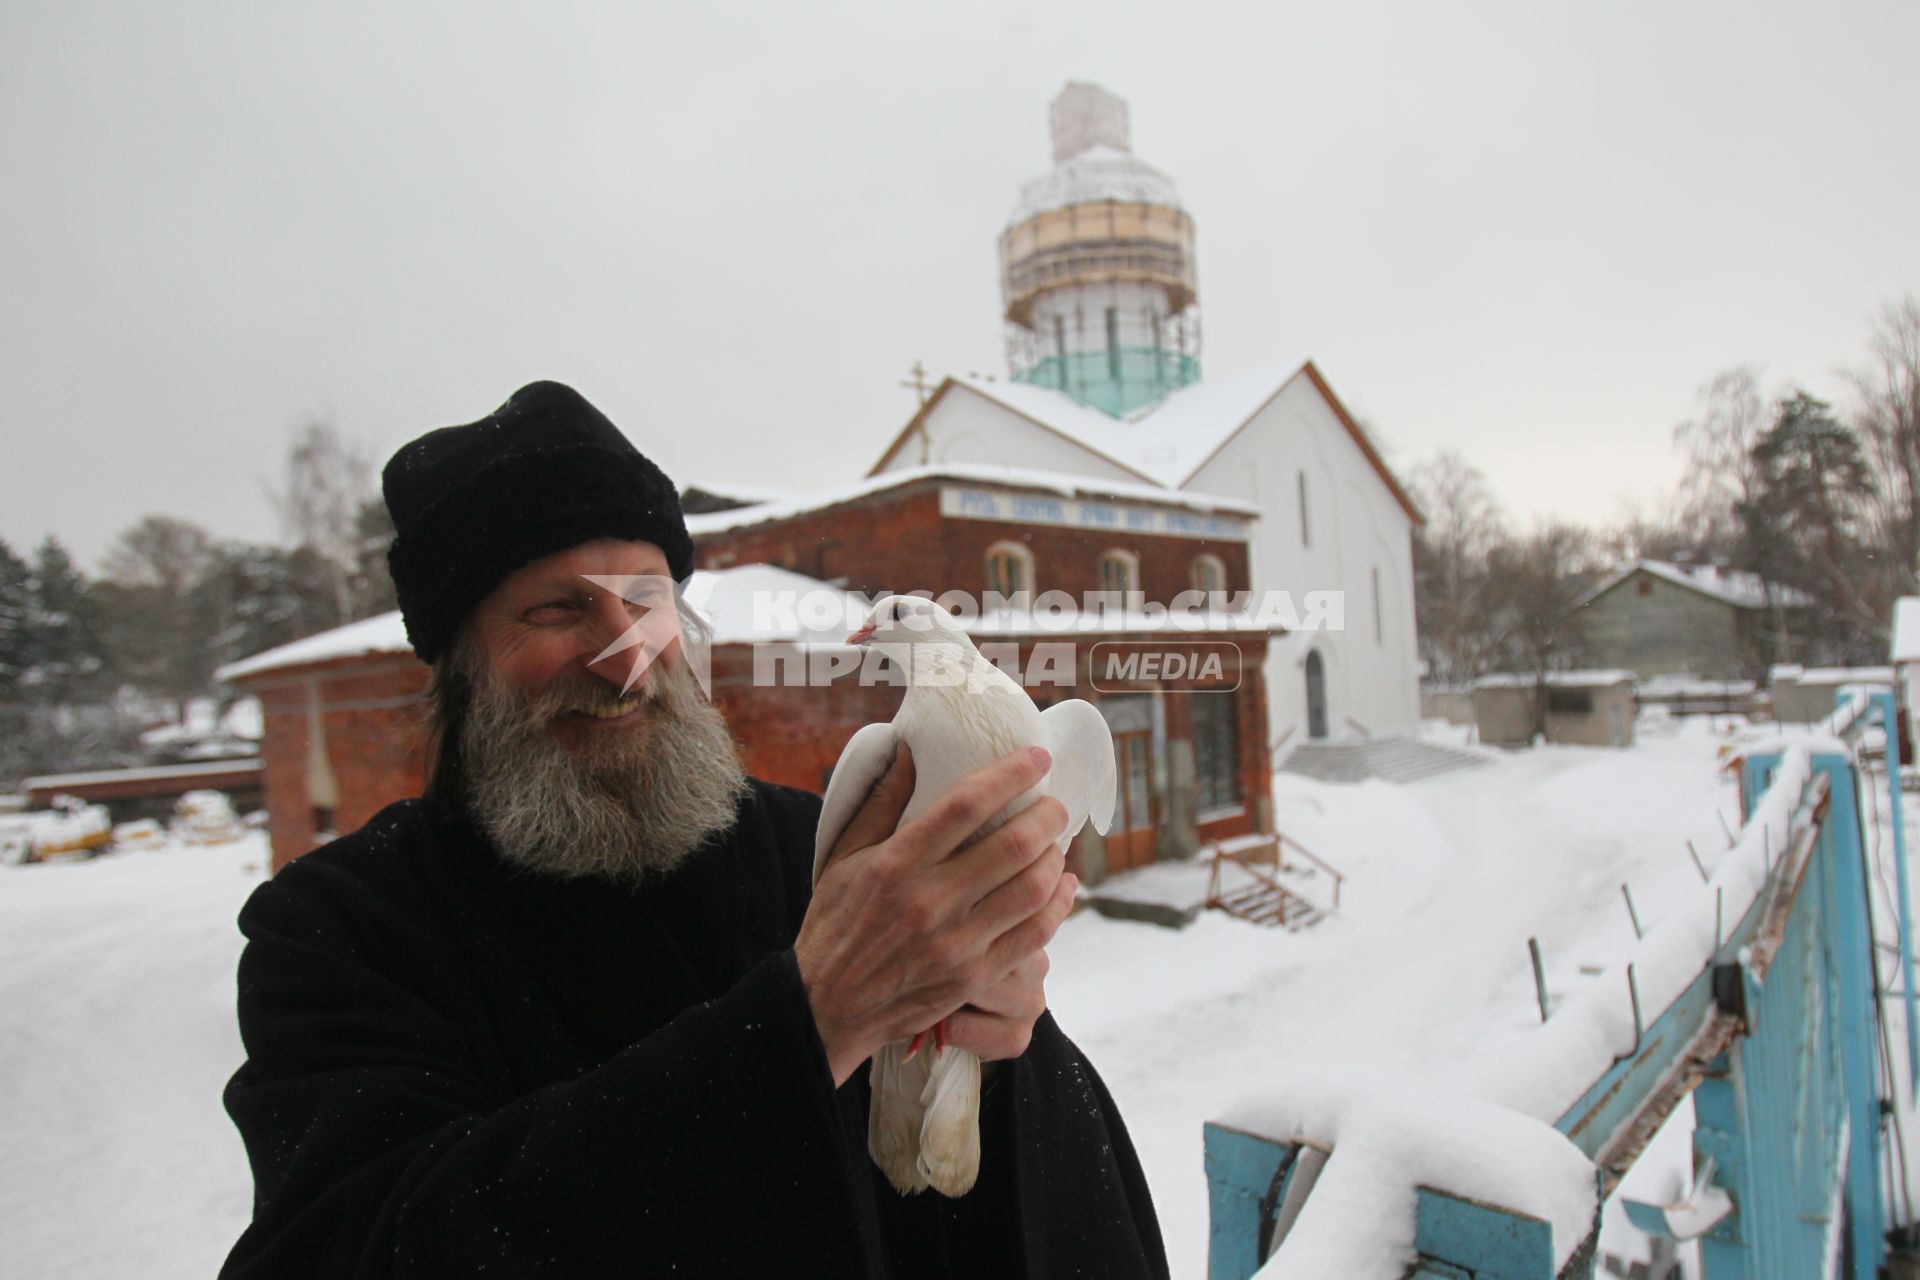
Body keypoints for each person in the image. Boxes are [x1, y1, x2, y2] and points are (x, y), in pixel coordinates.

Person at [220, 381, 1169, 1278]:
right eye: (559, 607)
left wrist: (998, 1046)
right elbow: (364, 1248)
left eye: (646, 598)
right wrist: (813, 1019)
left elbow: (1034, 1198)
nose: (625, 654)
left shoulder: (822, 849)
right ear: (460, 661)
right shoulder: (338, 931)